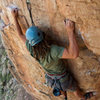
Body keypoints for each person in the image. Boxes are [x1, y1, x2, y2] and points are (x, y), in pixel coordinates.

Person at [11, 8, 95, 100]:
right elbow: (74, 54)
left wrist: (14, 18)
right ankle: (83, 97)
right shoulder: (53, 51)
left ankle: (64, 95)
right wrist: (70, 31)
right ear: (42, 35)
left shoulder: (31, 48)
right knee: (75, 89)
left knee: (62, 87)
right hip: (64, 80)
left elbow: (20, 35)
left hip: (50, 80)